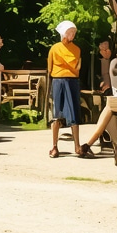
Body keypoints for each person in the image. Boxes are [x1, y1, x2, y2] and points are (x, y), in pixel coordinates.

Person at [47, 20, 90, 159]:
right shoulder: (54, 48)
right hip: (58, 80)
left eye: (74, 32)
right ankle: (54, 146)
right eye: (70, 32)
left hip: (72, 81)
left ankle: (77, 146)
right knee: (56, 113)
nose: (73, 35)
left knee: (74, 112)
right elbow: (50, 67)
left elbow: (77, 67)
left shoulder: (77, 49)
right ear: (63, 33)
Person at [79, 38, 117, 156]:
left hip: (115, 91)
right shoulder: (98, 60)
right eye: (102, 45)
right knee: (108, 108)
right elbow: (93, 74)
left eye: (107, 45)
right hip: (108, 89)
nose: (105, 48)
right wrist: (100, 84)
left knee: (109, 109)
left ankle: (93, 141)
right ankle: (97, 140)